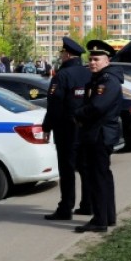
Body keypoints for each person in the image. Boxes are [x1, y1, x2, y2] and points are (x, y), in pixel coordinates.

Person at [72, 40, 123, 233]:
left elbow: (97, 106)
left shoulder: (107, 81)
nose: (92, 62)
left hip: (100, 135)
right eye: (90, 59)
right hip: (97, 134)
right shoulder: (100, 78)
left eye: (96, 59)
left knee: (98, 178)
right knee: (103, 176)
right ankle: (107, 217)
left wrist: (77, 113)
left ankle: (100, 220)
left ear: (107, 60)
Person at [42, 37, 91, 222]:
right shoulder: (88, 74)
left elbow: (54, 104)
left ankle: (65, 208)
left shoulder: (62, 76)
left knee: (67, 170)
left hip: (66, 129)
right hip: (84, 127)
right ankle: (88, 204)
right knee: (85, 167)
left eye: (62, 53)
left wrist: (47, 126)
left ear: (67, 54)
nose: (61, 56)